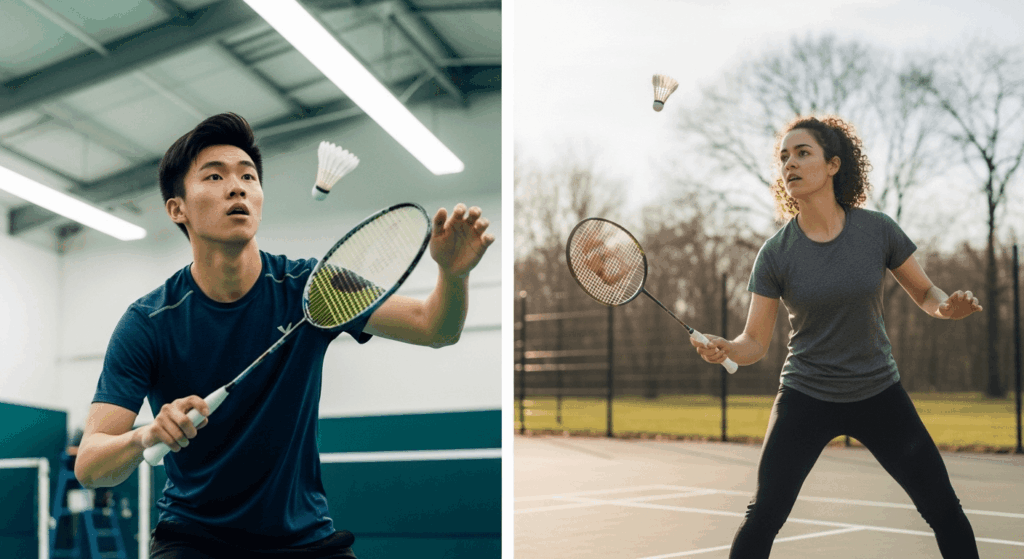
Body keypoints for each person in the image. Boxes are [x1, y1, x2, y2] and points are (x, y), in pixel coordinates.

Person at [74, 113, 495, 558]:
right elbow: (90, 465)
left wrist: (453, 274)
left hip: (306, 540)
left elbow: (434, 328)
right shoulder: (149, 322)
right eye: (214, 176)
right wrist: (145, 436)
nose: (237, 187)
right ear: (178, 208)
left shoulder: (313, 288)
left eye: (248, 176)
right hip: (195, 541)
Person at [690, 115, 982, 558]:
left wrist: (945, 307)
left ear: (833, 165)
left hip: (878, 392)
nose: (789, 163)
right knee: (764, 514)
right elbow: (754, 343)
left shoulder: (877, 230)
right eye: (783, 156)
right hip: (806, 395)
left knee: (944, 510)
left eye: (802, 153)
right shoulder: (775, 254)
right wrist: (727, 348)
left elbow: (924, 291)